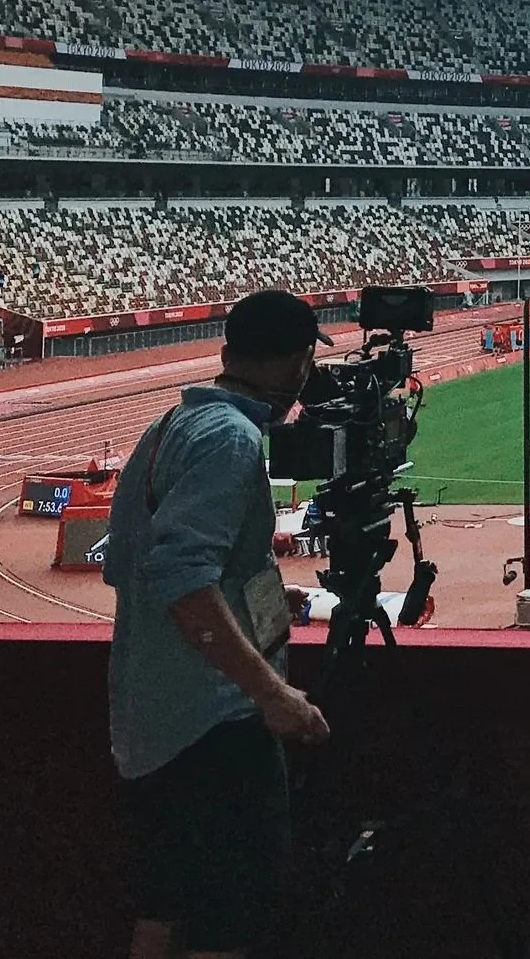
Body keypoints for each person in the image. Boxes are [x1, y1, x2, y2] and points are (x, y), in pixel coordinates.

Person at [103, 290, 332, 959]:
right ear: (298, 365)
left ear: (227, 354)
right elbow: (180, 578)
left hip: (149, 724)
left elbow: (131, 567)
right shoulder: (230, 439)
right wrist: (272, 692)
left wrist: (253, 592)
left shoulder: (166, 428)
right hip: (214, 726)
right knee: (227, 923)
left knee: (165, 906)